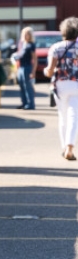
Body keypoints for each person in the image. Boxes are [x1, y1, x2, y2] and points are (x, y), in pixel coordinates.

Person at [44, 17, 78, 161]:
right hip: (76, 84)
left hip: (60, 85)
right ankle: (70, 146)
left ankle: (65, 147)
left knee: (62, 117)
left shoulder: (56, 48)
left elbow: (50, 70)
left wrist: (46, 71)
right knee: (74, 115)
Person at [13, 26, 37, 110]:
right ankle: (24, 103)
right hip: (21, 67)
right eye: (25, 34)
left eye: (28, 34)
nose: (27, 35)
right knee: (22, 87)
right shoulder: (23, 44)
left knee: (28, 87)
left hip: (27, 67)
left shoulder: (31, 45)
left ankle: (31, 104)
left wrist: (33, 71)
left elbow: (35, 59)